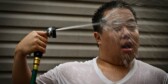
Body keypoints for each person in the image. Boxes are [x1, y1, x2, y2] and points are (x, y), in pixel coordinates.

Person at [12, 0, 168, 84]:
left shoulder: (158, 78)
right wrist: (20, 54)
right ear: (98, 38)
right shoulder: (68, 73)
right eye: (117, 27)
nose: (127, 33)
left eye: (132, 26)